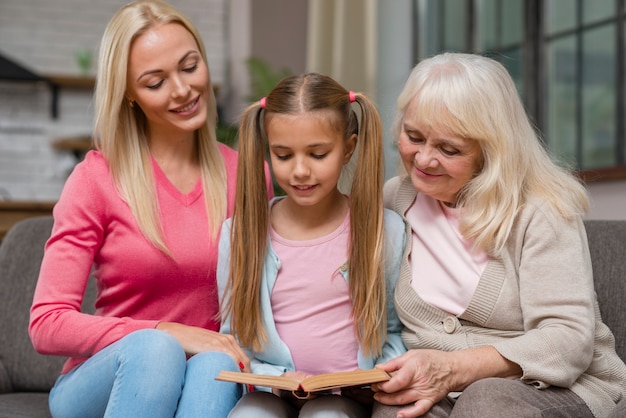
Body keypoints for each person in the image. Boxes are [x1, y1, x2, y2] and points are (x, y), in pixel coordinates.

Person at [28, 1, 273, 417]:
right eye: (155, 81)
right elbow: (47, 324)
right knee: (157, 349)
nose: (181, 90)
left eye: (189, 66)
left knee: (217, 364)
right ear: (128, 95)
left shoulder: (249, 177)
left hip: (204, 373)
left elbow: (273, 295)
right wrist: (167, 332)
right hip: (106, 378)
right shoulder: (95, 180)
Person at [370, 52, 626, 418]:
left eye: (448, 149)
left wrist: (453, 369)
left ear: (491, 152)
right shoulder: (394, 198)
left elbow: (568, 339)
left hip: (556, 387)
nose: (424, 160)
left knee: (487, 402)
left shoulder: (540, 211)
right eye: (414, 137)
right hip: (437, 392)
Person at [216, 73, 407, 418]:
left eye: (317, 154)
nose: (300, 171)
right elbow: (234, 340)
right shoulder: (238, 235)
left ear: (348, 148)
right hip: (269, 392)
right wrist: (274, 377)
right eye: (283, 155)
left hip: (346, 397)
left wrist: (370, 377)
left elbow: (393, 331)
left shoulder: (385, 231)